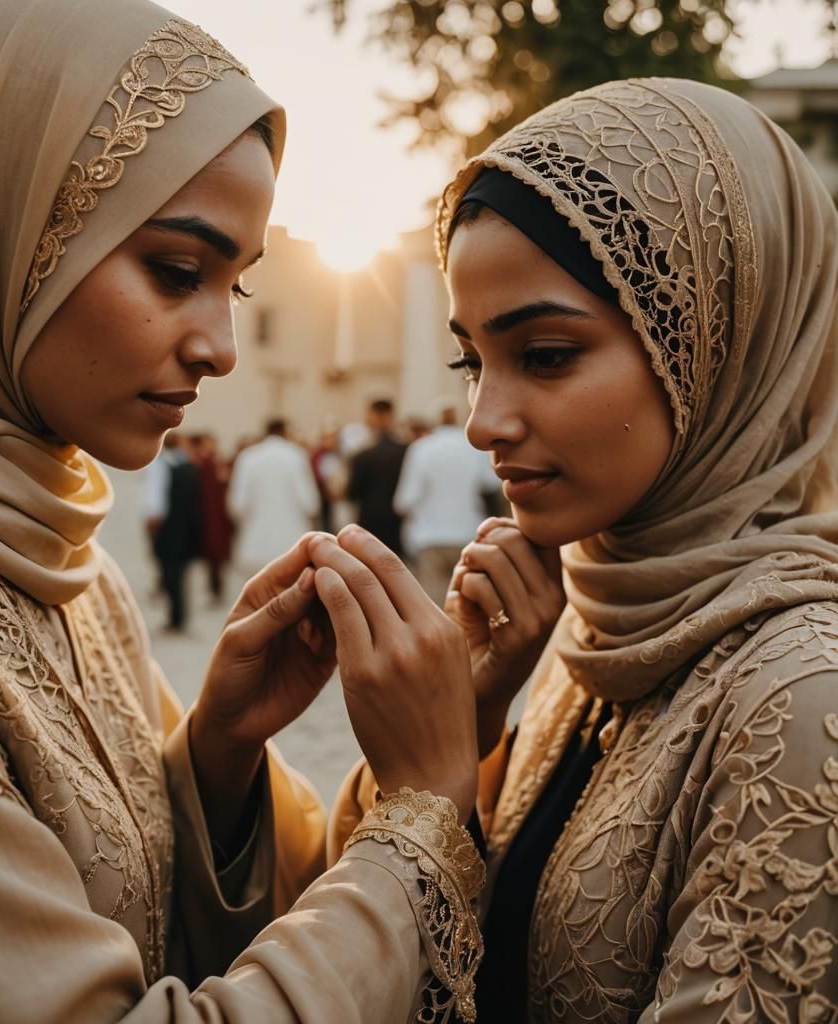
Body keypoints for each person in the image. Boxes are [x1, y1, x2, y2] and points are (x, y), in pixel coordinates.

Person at [0, 2, 485, 1021]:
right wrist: (420, 821)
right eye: (177, 272)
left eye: (237, 289)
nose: (218, 345)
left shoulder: (61, 555)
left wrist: (213, 755)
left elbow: (118, 923)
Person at [332, 78, 838, 1021]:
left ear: (712, 350)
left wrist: (426, 801)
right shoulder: (595, 638)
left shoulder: (806, 701)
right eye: (470, 361)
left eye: (548, 355)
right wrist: (468, 729)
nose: (482, 423)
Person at [393, 399, 501, 605]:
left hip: (430, 536)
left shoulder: (422, 448)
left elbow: (405, 500)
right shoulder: (473, 448)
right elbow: (491, 483)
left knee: (433, 602)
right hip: (467, 533)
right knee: (466, 603)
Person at [227, 418, 320, 576]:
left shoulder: (248, 457)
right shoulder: (296, 456)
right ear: (285, 432)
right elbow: (310, 504)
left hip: (255, 545)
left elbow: (237, 504)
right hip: (291, 545)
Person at [144, 433, 202, 629]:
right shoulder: (189, 466)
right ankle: (179, 614)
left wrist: (152, 528)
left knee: (170, 571)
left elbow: (155, 502)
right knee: (180, 572)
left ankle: (176, 616)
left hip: (168, 527)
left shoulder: (161, 465)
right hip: (188, 527)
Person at [346, 398, 408, 557]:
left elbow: (352, 493)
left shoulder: (363, 455)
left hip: (369, 524)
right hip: (396, 525)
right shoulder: (406, 451)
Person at [191, 433, 233, 605]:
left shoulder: (216, 463)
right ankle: (214, 589)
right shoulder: (203, 464)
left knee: (218, 557)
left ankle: (218, 589)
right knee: (212, 557)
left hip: (218, 519)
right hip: (208, 518)